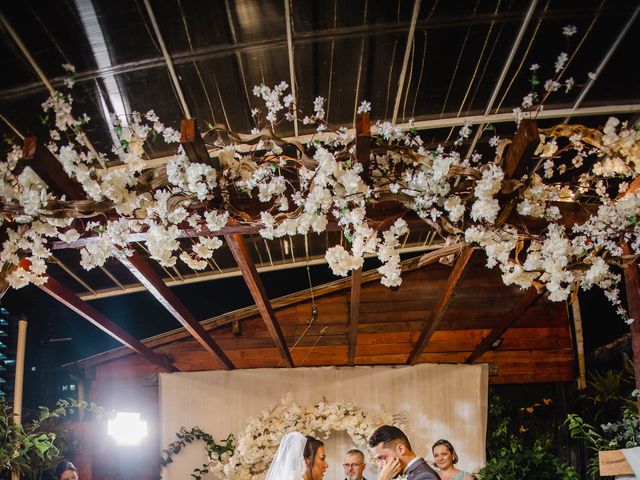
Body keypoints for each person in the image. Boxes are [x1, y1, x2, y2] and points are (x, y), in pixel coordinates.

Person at [368, 425, 440, 480]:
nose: (381, 465)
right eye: (378, 460)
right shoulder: (408, 473)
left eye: (383, 458)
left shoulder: (425, 477)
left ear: (401, 449)